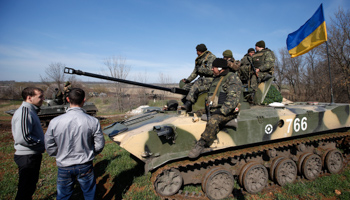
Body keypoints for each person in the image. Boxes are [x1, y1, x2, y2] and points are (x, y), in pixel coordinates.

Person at [45, 88, 105, 200]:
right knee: (89, 194)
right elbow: (99, 144)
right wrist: (91, 152)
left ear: (68, 99)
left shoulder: (55, 121)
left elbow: (49, 144)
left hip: (64, 165)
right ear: (84, 100)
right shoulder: (92, 121)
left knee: (63, 196)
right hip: (85, 163)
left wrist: (58, 154)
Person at [187, 58, 242, 159]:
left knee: (213, 120)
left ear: (221, 68)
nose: (212, 69)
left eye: (214, 67)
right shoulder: (217, 78)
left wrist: (220, 112)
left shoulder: (232, 79)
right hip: (215, 108)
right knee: (196, 113)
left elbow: (232, 101)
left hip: (228, 111)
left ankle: (201, 144)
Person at [11, 87, 45, 200]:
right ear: (29, 98)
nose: (43, 99)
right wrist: (41, 144)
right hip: (27, 156)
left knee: (29, 187)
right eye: (40, 96)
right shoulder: (24, 112)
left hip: (31, 155)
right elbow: (24, 137)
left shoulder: (30, 111)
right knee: (25, 189)